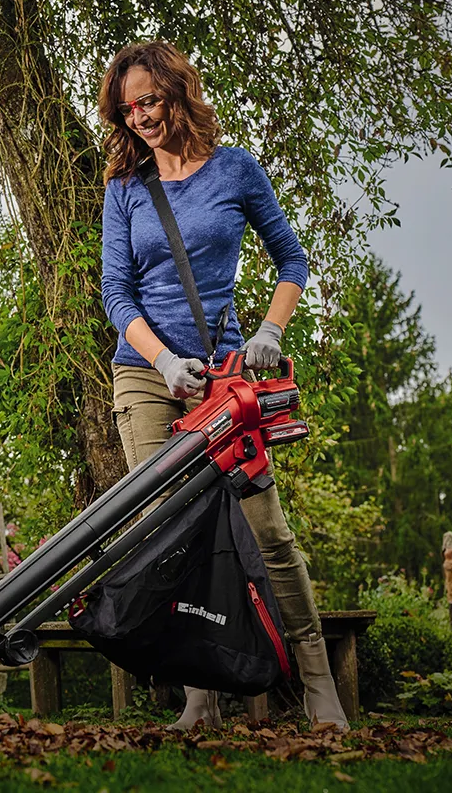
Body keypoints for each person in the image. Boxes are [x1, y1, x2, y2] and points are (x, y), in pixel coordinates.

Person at [98, 41, 348, 731]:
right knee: (169, 533)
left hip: (225, 377)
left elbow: (291, 257)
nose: (141, 117)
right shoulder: (124, 188)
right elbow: (116, 293)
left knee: (266, 528)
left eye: (149, 99)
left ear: (178, 91)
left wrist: (269, 331)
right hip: (149, 376)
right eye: (128, 108)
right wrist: (162, 363)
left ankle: (318, 684)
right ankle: (200, 696)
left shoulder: (235, 170)